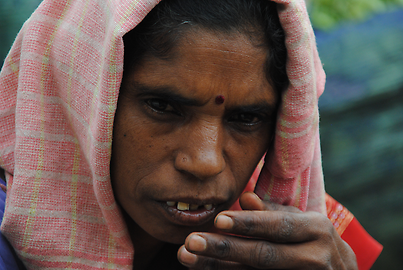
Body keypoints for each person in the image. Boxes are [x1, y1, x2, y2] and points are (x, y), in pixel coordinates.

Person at [0, 0, 381, 269]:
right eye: (163, 107)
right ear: (82, 100)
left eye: (247, 117)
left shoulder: (307, 247)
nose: (205, 162)